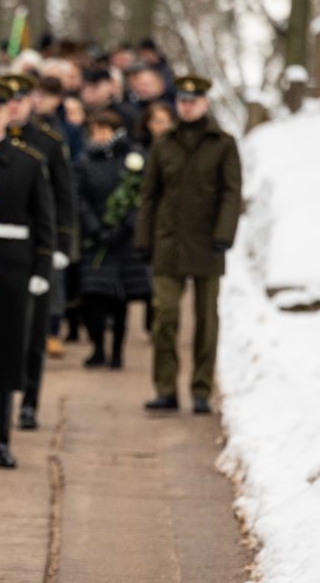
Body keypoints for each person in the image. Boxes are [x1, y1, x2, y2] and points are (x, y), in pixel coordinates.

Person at [135, 76, 242, 414]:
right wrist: (143, 238)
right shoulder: (164, 142)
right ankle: (166, 389)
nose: (187, 105)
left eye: (193, 100)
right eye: (182, 100)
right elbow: (150, 194)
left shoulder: (223, 143)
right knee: (164, 316)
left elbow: (231, 193)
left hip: (208, 242)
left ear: (205, 103)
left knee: (206, 320)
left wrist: (224, 234)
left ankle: (200, 389)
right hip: (168, 241)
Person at [0, 79, 55, 468]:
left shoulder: (29, 161)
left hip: (13, 267)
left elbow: (45, 223)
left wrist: (42, 267)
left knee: (7, 355)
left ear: (8, 113)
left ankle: (0, 438)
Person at [1, 73, 76, 430]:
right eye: (8, 99)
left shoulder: (48, 142)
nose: (14, 105)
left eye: (20, 97)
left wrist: (60, 246)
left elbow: (63, 197)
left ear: (32, 100)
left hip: (34, 247)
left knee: (33, 333)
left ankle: (30, 400)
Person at [75, 110, 152, 369]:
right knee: (94, 297)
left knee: (120, 298)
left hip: (123, 239)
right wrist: (95, 228)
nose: (99, 135)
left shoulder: (133, 158)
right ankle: (98, 347)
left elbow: (140, 195)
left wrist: (123, 226)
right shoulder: (84, 161)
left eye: (104, 130)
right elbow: (79, 198)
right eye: (95, 130)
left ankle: (117, 351)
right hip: (95, 238)